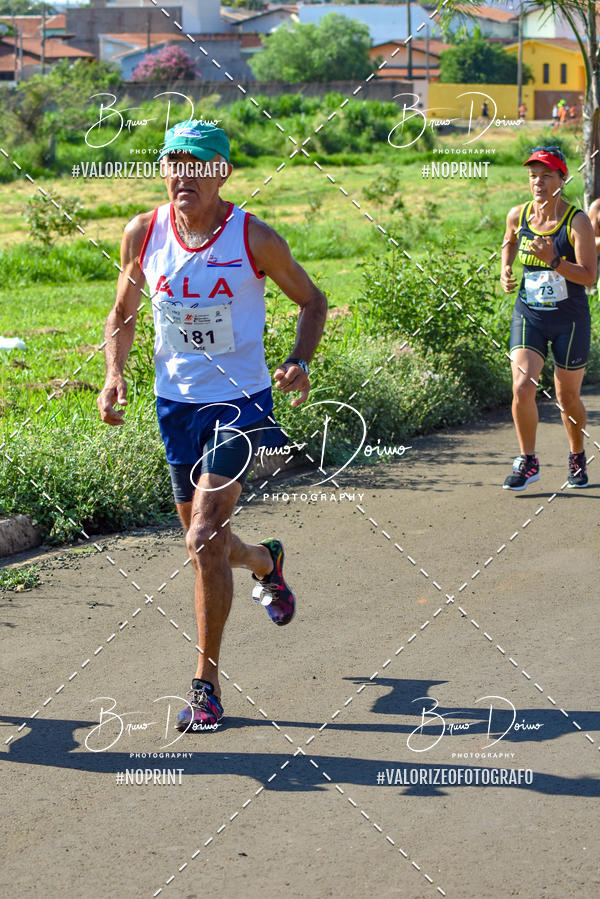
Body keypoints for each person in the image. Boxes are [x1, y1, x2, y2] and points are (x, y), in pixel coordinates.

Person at [97, 121, 327, 730]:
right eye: (174, 163)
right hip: (175, 405)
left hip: (240, 403)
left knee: (201, 537)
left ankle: (206, 687)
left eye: (198, 165)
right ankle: (265, 562)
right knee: (212, 547)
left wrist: (299, 362)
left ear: (222, 173)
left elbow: (313, 300)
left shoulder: (253, 237)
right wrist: (113, 373)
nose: (184, 176)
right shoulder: (143, 232)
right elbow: (122, 312)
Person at [500, 145, 597, 490]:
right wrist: (505, 267)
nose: (537, 182)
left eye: (545, 176)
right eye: (533, 176)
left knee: (567, 397)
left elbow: (589, 277)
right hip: (530, 315)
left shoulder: (577, 221)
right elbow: (509, 240)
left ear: (561, 179)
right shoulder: (519, 214)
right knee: (522, 386)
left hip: (570, 320)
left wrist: (554, 261)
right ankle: (528, 460)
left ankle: (576, 454)